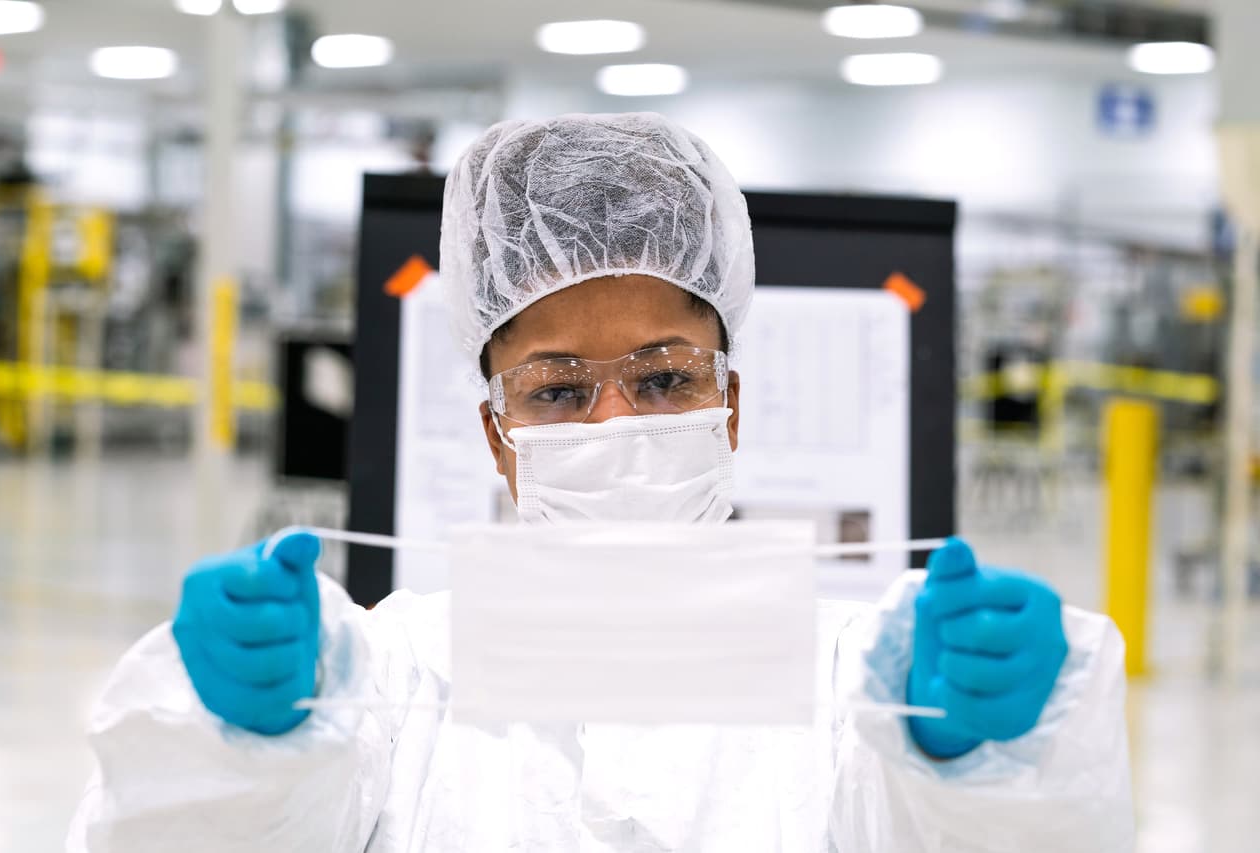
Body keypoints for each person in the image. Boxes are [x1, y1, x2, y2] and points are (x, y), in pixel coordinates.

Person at [68, 113, 1132, 852]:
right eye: (559, 391)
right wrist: (243, 742)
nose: (617, 422)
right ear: (497, 435)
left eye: (665, 377)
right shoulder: (388, 677)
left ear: (732, 405)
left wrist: (970, 759)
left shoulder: (854, 682)